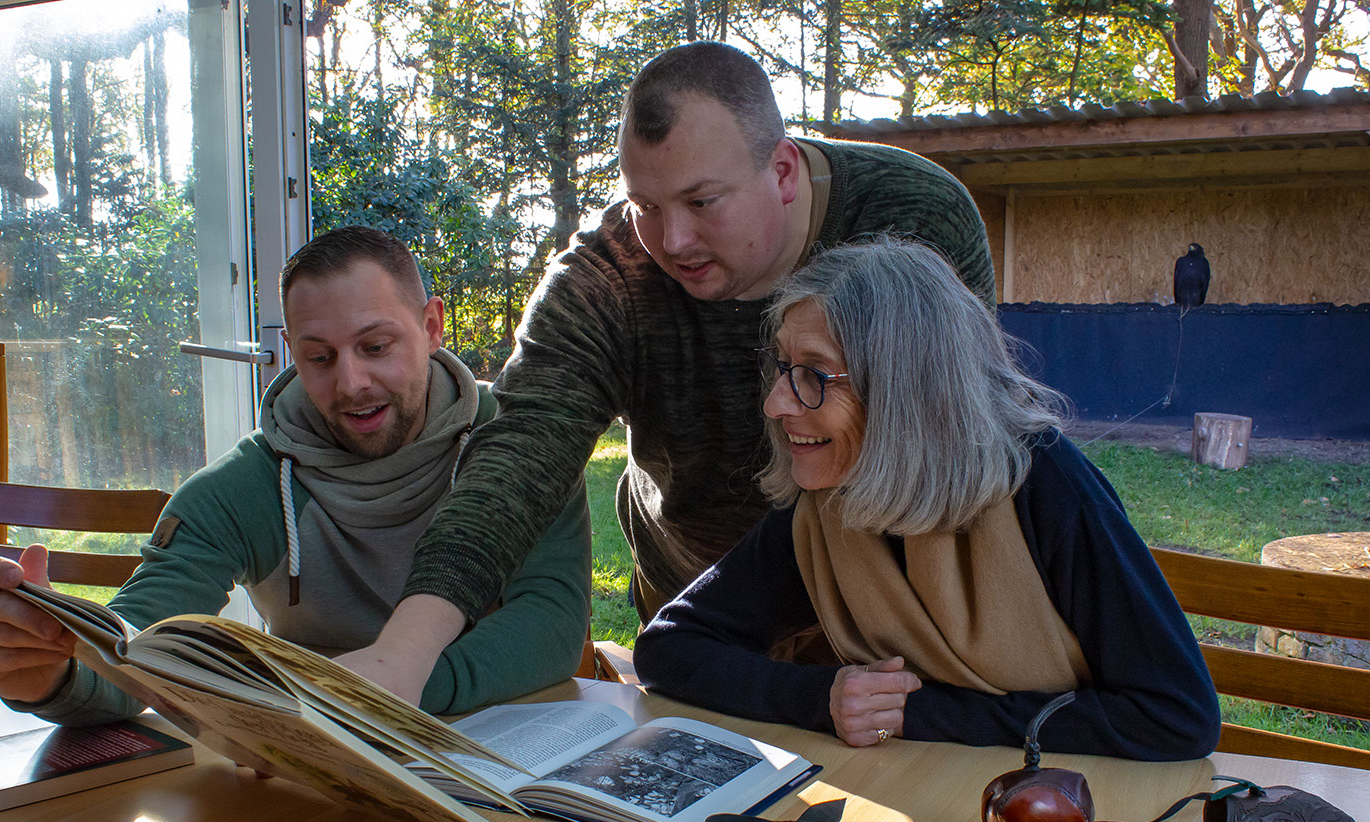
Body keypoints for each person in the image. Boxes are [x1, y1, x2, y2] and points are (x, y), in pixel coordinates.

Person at [340, 40, 996, 702]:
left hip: (885, 624)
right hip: (696, 621)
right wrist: (402, 656)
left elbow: (957, 439)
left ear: (785, 171)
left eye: (702, 201)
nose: (671, 241)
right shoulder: (605, 280)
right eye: (644, 205)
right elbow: (518, 458)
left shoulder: (913, 222)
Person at [0, 226, 591, 722]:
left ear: (431, 326)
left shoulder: (520, 447)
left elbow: (553, 623)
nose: (351, 382)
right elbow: (143, 641)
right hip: (321, 769)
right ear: (292, 351)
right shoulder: (245, 488)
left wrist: (388, 692)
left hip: (508, 751)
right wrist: (56, 670)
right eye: (320, 357)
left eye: (376, 347)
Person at [632, 237, 1220, 762]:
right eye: (783, 367)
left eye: (815, 374)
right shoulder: (827, 499)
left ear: (904, 388)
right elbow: (669, 648)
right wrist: (823, 697)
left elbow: (1176, 717)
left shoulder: (1044, 483)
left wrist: (916, 714)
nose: (777, 403)